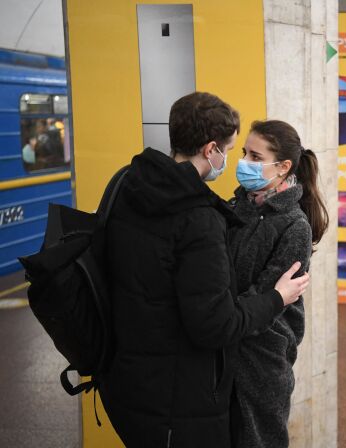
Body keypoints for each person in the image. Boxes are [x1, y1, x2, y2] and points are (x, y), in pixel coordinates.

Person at [99, 92, 310, 447]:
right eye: (234, 152)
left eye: (253, 156)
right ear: (211, 149)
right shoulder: (203, 216)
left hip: (140, 373)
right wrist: (276, 298)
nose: (238, 161)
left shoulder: (127, 182)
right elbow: (215, 321)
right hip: (184, 381)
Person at [228, 120, 329, 448]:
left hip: (263, 360)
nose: (244, 162)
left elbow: (268, 299)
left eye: (256, 157)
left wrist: (216, 315)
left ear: (283, 167)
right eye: (244, 153)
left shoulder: (294, 226)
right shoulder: (236, 208)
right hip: (225, 348)